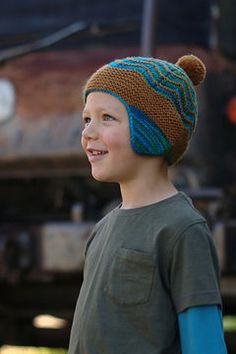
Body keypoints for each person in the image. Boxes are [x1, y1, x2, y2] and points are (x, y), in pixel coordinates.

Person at [68, 55, 228, 353]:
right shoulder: (103, 228)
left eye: (107, 118)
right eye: (87, 119)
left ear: (152, 131)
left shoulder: (182, 229)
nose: (88, 133)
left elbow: (204, 342)